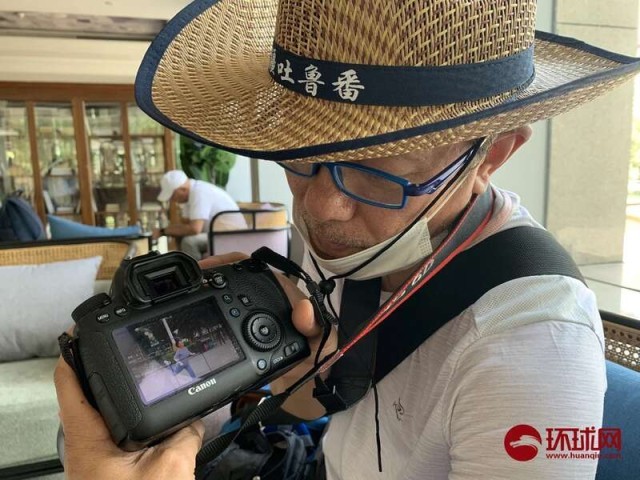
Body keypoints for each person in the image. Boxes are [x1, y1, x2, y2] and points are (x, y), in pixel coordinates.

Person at [54, 0, 640, 479]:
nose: (321, 209)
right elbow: (336, 404)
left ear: (494, 154)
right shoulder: (353, 231)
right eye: (302, 154)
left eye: (381, 175)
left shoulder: (537, 346)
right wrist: (271, 373)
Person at [152, 170, 246, 260]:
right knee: (182, 238)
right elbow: (184, 225)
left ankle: (196, 270)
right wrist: (166, 231)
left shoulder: (199, 192)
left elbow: (194, 229)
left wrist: (163, 231)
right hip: (217, 233)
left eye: (172, 196)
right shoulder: (190, 195)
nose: (172, 200)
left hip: (230, 235)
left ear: (182, 189)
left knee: (189, 242)